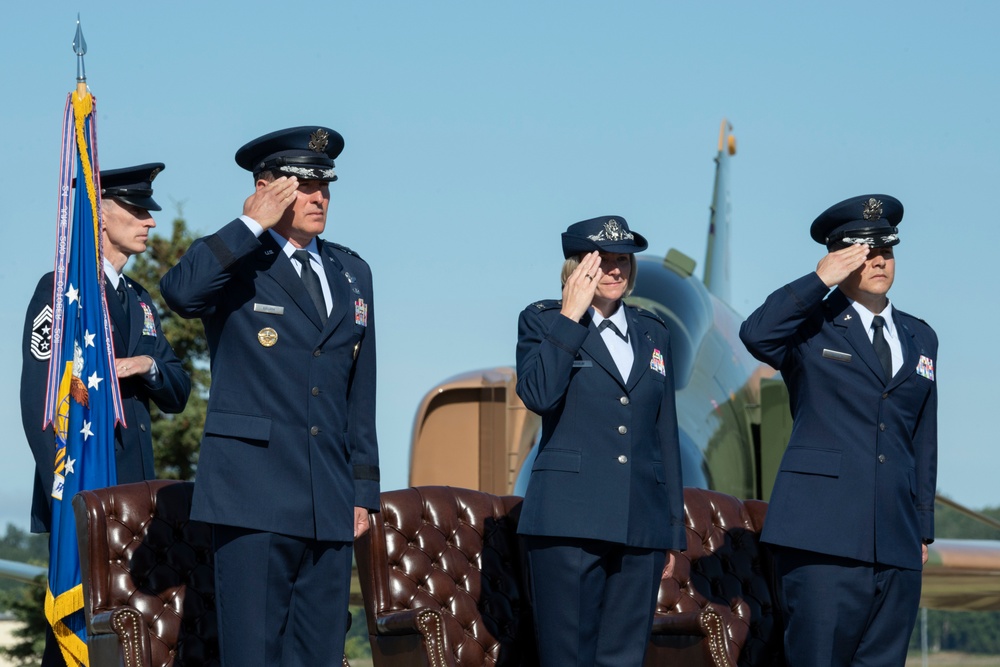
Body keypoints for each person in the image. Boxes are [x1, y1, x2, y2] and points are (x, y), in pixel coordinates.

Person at [160, 126, 380, 667]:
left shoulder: (351, 272)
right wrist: (250, 223)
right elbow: (180, 293)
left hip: (327, 497)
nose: (319, 197)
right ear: (266, 188)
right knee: (253, 654)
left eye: (325, 185)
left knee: (320, 655)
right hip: (252, 493)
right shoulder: (238, 258)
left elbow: (360, 388)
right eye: (303, 185)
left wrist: (363, 488)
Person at [739, 194, 938, 666]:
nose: (879, 260)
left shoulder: (920, 336)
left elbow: (923, 438)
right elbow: (756, 334)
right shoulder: (811, 326)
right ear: (838, 256)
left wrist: (923, 530)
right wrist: (818, 280)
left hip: (896, 540)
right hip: (821, 538)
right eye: (865, 252)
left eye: (886, 250)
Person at [20, 162, 192, 667]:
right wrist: (69, 493)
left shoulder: (139, 301)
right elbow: (39, 406)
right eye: (138, 210)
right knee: (78, 637)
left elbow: (177, 389)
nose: (150, 222)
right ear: (100, 215)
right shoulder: (60, 292)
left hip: (137, 493)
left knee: (126, 635)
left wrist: (145, 364)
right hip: (84, 489)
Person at [514, 215, 686, 667]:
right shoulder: (544, 321)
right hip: (568, 522)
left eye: (623, 261)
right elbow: (537, 395)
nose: (614, 270)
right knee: (567, 656)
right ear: (576, 268)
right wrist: (571, 317)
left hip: (640, 525)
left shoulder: (654, 332)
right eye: (602, 260)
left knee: (624, 659)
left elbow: (663, 432)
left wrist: (671, 530)